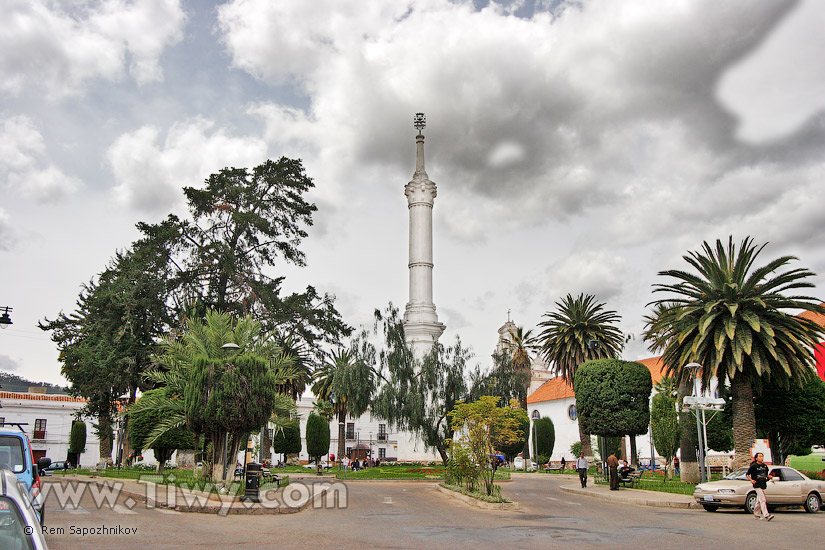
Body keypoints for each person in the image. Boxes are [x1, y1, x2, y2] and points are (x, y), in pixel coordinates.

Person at [746, 452, 774, 521]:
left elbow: (766, 474)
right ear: (756, 458)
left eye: (762, 456)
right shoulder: (754, 466)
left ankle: (756, 514)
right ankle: (766, 515)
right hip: (757, 484)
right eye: (760, 456)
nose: (761, 458)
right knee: (763, 499)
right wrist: (751, 480)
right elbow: (747, 474)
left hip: (763, 484)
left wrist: (769, 476)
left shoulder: (764, 466)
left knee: (759, 500)